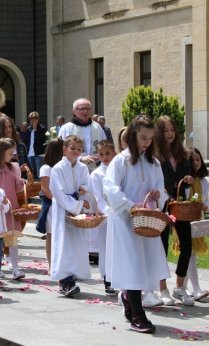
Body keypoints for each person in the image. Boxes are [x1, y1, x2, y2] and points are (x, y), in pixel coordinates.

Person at [104, 115, 170, 334]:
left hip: (147, 220)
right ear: (133, 135)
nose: (147, 142)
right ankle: (138, 316)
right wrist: (130, 206)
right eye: (143, 137)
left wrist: (158, 194)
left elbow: (162, 190)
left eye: (151, 139)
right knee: (132, 263)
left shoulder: (155, 163)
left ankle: (128, 297)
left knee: (145, 263)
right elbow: (110, 188)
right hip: (125, 220)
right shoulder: (120, 161)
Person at [154, 115, 194, 306]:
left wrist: (189, 180)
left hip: (180, 205)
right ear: (159, 133)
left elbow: (190, 177)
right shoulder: (155, 155)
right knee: (162, 246)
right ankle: (162, 288)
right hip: (162, 204)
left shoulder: (183, 154)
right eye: (165, 130)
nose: (169, 134)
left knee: (187, 245)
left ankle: (179, 286)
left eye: (172, 130)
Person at [49, 135, 91, 297]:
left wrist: (83, 193)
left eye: (79, 149)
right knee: (63, 245)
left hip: (77, 213)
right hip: (62, 211)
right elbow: (58, 194)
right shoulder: (58, 169)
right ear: (65, 149)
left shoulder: (82, 168)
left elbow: (87, 186)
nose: (76, 151)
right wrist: (77, 205)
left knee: (75, 245)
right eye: (72, 148)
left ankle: (71, 277)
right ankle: (65, 281)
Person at [0, 138, 26, 280]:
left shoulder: (13, 167)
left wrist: (21, 182)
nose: (12, 156)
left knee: (12, 239)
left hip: (10, 207)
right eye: (10, 153)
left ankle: (15, 268)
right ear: (1, 152)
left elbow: (16, 188)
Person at [180, 147, 209, 301]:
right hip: (185, 220)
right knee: (189, 253)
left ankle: (182, 287)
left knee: (191, 254)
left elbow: (206, 200)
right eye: (192, 160)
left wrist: (205, 206)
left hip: (197, 221)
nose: (196, 163)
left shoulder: (203, 182)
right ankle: (196, 288)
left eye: (198, 159)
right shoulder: (185, 182)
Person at [88, 140, 117, 296]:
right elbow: (97, 198)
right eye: (102, 154)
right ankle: (108, 279)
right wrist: (108, 211)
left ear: (114, 153)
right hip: (106, 216)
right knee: (106, 248)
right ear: (98, 156)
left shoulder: (119, 170)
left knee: (118, 248)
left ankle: (119, 277)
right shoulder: (96, 174)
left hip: (119, 215)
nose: (105, 157)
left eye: (108, 153)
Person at [35, 138, 64, 273]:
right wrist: (58, 200)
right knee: (51, 235)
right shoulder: (46, 168)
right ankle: (51, 265)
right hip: (52, 205)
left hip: (63, 204)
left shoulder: (64, 166)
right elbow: (45, 189)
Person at [58, 98, 106, 171]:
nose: (85, 111)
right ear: (74, 111)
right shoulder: (67, 128)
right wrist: (80, 159)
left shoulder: (97, 127)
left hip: (96, 168)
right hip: (75, 168)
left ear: (91, 110)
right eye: (82, 109)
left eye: (87, 109)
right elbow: (62, 150)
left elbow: (104, 145)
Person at [26, 111, 47, 179]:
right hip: (30, 154)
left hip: (39, 154)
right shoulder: (29, 129)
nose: (32, 122)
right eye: (31, 120)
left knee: (39, 173)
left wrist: (35, 130)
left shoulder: (42, 128)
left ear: (37, 120)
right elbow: (27, 141)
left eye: (33, 120)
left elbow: (40, 140)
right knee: (29, 173)